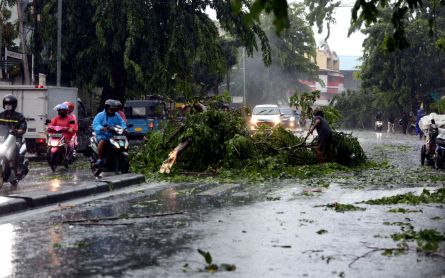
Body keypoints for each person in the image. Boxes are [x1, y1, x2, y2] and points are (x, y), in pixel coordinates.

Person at [0, 95, 28, 185]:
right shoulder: (1, 115)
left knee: (15, 150)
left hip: (15, 138)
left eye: (10, 104)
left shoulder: (19, 116)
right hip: (2, 138)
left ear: (14, 105)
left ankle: (17, 170)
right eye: (6, 104)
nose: (8, 106)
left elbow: (23, 128)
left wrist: (17, 131)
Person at [92, 99, 126, 166]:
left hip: (114, 135)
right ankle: (100, 159)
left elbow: (122, 123)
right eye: (111, 109)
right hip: (103, 135)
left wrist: (124, 128)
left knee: (124, 139)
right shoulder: (100, 115)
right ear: (107, 108)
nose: (113, 111)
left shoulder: (116, 115)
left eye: (114, 109)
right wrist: (102, 128)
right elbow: (95, 124)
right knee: (103, 141)